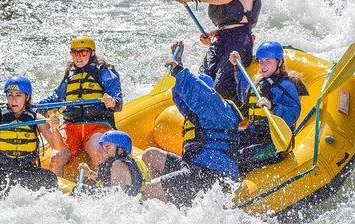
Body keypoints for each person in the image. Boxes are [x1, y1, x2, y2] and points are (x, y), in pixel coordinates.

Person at [142, 41, 243, 207]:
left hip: (214, 172)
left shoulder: (217, 108)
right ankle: (166, 201)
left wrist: (179, 71)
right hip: (194, 165)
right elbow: (182, 96)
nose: (190, 102)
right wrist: (178, 66)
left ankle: (160, 197)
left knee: (150, 189)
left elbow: (198, 93)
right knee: (150, 155)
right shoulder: (195, 113)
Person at [176, 0, 262, 101]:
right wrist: (212, 33)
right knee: (204, 80)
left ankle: (238, 116)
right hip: (221, 39)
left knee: (221, 84)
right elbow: (226, 22)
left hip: (239, 39)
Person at [38, 36, 123, 176]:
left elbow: (116, 96)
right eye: (74, 53)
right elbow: (55, 98)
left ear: (92, 53)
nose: (78, 57)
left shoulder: (104, 71)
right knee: (56, 157)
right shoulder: (70, 74)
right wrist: (35, 108)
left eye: (83, 52)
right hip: (71, 126)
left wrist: (113, 102)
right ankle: (55, 194)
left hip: (97, 125)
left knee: (97, 150)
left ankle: (105, 186)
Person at [0, 76, 63, 198]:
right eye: (10, 95)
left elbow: (57, 146)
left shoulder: (38, 119)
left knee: (49, 178)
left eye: (18, 95)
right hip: (0, 167)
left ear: (27, 97)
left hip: (26, 168)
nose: (13, 100)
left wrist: (54, 128)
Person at [229, 41, 308, 174]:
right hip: (254, 134)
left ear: (279, 62)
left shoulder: (285, 85)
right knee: (225, 143)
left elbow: (293, 112)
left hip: (275, 142)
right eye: (261, 61)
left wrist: (273, 106)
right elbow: (244, 94)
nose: (263, 65)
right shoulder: (259, 82)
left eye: (268, 61)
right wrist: (238, 67)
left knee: (239, 157)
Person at [79, 130, 144, 196]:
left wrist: (92, 193)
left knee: (84, 190)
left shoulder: (119, 164)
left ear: (121, 149)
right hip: (126, 200)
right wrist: (89, 172)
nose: (104, 152)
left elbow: (116, 193)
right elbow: (105, 180)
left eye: (108, 147)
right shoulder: (116, 164)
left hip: (125, 202)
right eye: (103, 149)